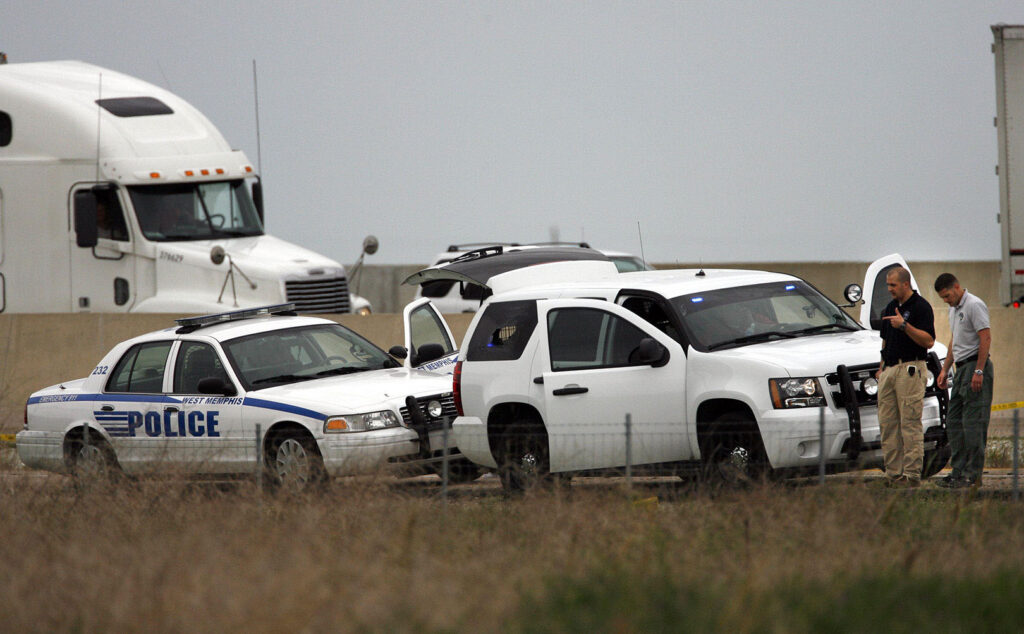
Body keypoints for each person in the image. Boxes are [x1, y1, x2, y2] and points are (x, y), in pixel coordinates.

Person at [876, 266, 935, 488]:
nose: (889, 289)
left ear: (905, 284)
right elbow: (884, 340)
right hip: (889, 370)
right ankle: (894, 475)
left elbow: (928, 341)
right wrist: (882, 367)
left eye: (893, 285)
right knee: (888, 424)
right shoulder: (890, 307)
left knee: (909, 423)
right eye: (888, 285)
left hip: (910, 368)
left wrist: (904, 326)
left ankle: (911, 476)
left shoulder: (921, 307)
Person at [934, 273, 994, 489]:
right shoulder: (954, 310)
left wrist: (979, 371)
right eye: (943, 298)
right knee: (954, 422)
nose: (946, 300)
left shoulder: (974, 305)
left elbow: (985, 337)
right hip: (960, 369)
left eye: (948, 295)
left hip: (975, 366)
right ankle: (958, 472)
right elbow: (955, 340)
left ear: (957, 287)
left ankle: (973, 475)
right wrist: (945, 369)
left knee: (972, 424)